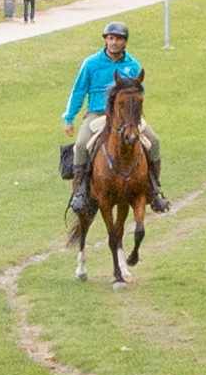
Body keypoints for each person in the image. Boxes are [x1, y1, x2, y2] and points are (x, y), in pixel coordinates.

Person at [60, 20, 163, 224]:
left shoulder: (132, 66)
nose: (113, 42)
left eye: (118, 39)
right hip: (97, 114)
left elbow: (139, 94)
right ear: (106, 40)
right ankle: (81, 192)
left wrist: (135, 117)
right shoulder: (91, 63)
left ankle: (153, 188)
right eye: (110, 38)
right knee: (81, 145)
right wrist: (69, 118)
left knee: (154, 141)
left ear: (125, 42)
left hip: (126, 116)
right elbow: (78, 90)